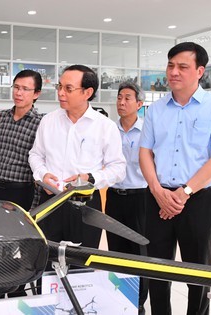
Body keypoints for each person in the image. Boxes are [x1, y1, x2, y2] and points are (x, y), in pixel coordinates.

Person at [139, 42, 211, 315]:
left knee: (198, 271)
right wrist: (158, 190)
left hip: (198, 200)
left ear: (199, 71)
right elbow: (145, 153)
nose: (174, 72)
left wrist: (184, 192)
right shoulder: (156, 109)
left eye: (182, 67)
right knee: (157, 269)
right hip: (158, 198)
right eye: (170, 65)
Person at [29, 64, 126, 249]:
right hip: (50, 202)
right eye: (59, 86)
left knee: (81, 266)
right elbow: (35, 155)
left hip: (85, 204)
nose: (61, 93)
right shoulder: (48, 121)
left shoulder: (105, 126)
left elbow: (118, 168)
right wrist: (42, 174)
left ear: (87, 92)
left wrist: (89, 178)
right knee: (46, 260)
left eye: (68, 88)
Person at [0, 69, 43, 298]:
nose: (19, 93)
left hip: (23, 192)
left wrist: (35, 204)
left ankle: (17, 294)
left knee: (19, 249)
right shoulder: (2, 118)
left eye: (25, 89)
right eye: (16, 87)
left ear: (36, 93)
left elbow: (39, 164)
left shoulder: (40, 123)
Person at [105, 81, 148, 315]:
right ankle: (118, 294)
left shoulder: (147, 131)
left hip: (140, 197)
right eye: (119, 97)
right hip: (114, 197)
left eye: (127, 98)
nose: (121, 102)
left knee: (139, 250)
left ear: (139, 104)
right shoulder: (109, 130)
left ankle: (139, 300)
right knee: (116, 249)